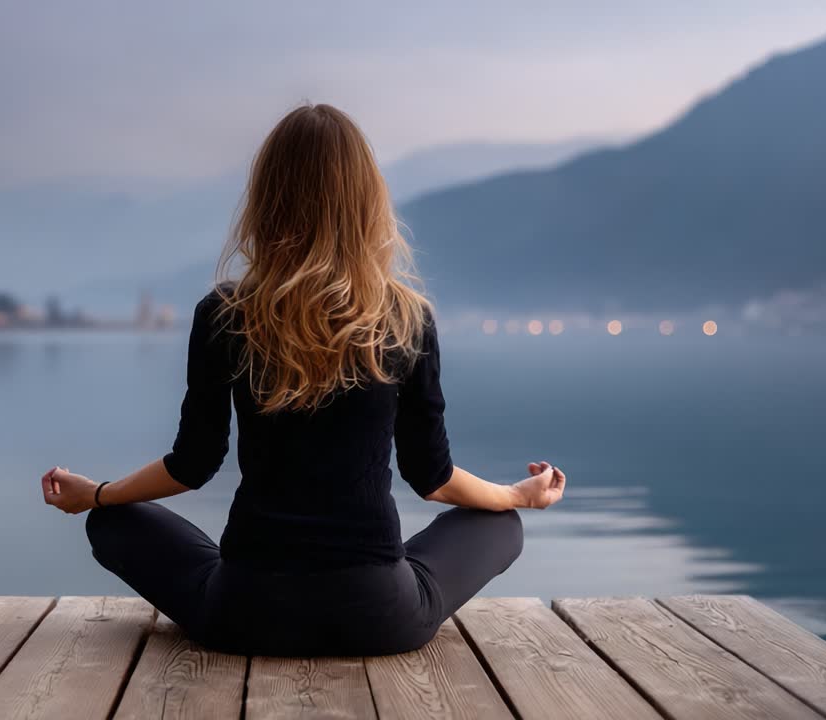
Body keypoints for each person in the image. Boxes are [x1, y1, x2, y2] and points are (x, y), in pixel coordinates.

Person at [40, 103, 566, 657]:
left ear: (268, 201)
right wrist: (516, 495)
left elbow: (192, 465)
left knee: (110, 523)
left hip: (245, 614)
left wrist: (98, 494)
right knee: (501, 524)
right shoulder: (405, 318)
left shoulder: (225, 313)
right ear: (367, 203)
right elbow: (431, 478)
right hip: (379, 617)